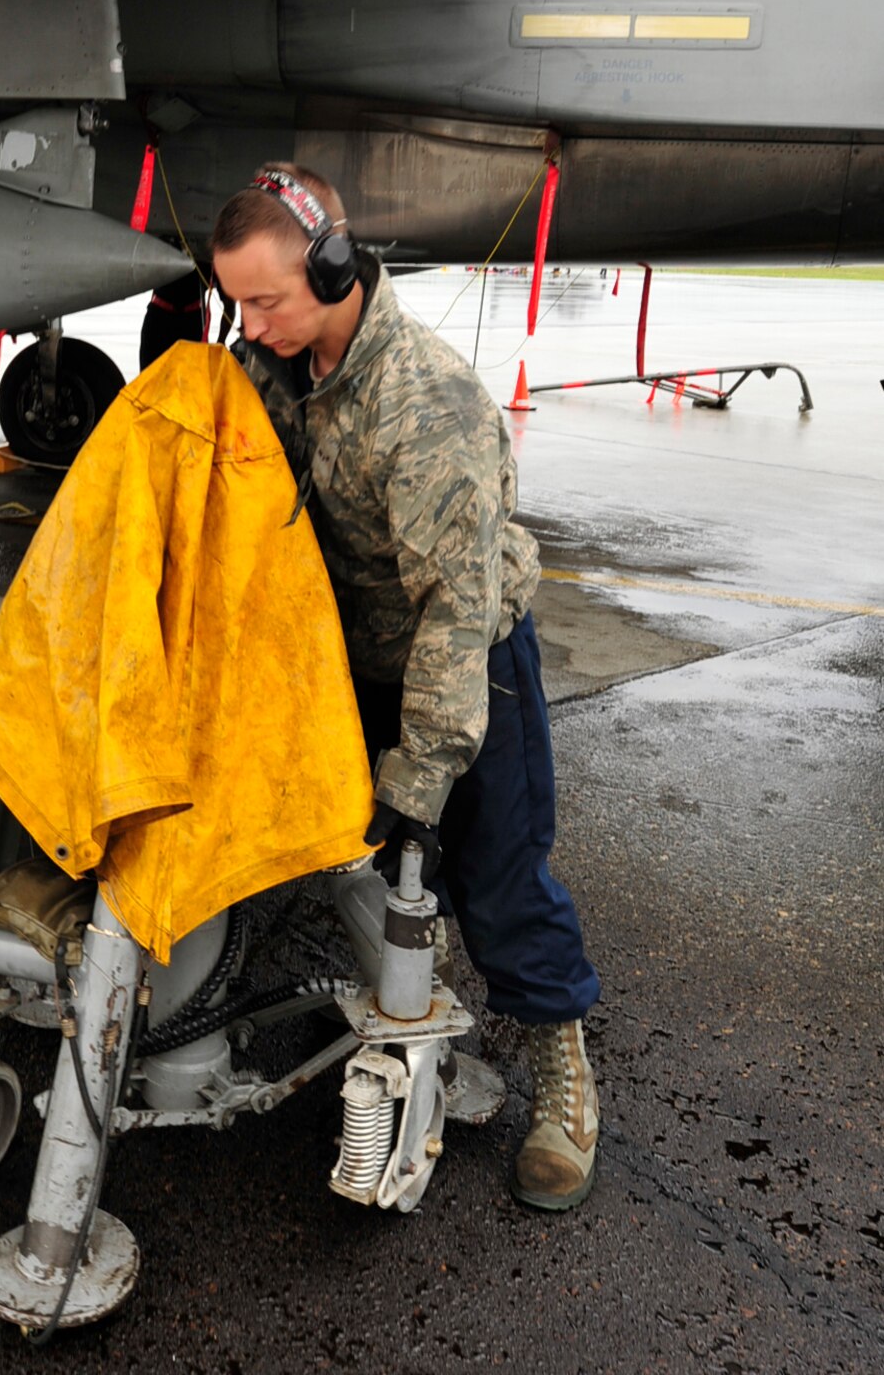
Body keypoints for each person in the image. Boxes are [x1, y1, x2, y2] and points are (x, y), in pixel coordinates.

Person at [210, 162, 601, 1211]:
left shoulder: (424, 403)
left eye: (265, 299)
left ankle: (563, 1074)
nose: (247, 323)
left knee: (493, 880)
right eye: (235, 300)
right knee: (349, 857)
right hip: (362, 658)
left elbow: (455, 615)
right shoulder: (280, 364)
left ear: (334, 267)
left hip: (468, 663)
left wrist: (421, 769)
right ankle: (387, 1009)